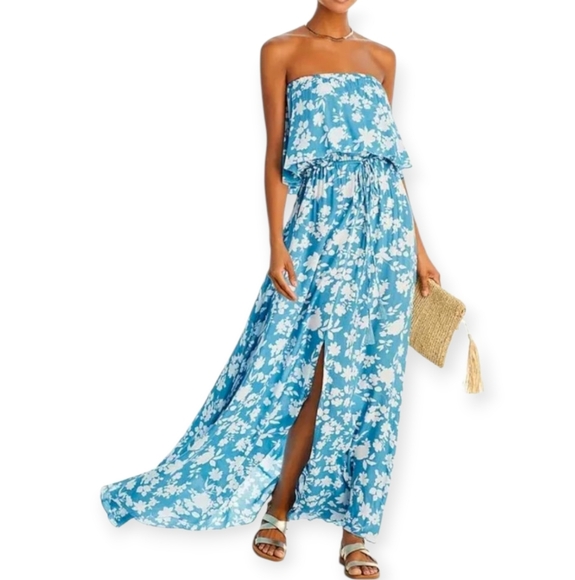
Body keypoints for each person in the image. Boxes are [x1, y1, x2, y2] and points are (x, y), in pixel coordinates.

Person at [100, 1, 440, 578]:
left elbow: (387, 166)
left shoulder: (382, 59)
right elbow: (276, 152)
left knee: (376, 381)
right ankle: (277, 509)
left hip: (386, 239)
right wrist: (276, 242)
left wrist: (420, 252)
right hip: (319, 230)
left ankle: (356, 532)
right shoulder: (281, 50)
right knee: (315, 370)